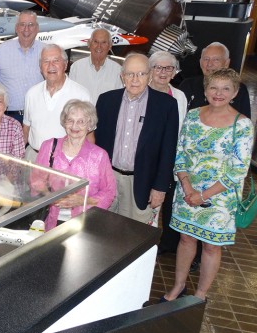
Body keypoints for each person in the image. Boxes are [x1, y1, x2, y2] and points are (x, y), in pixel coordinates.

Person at [162, 68, 253, 302]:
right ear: (205, 90)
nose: (218, 93)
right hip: (187, 190)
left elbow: (238, 170)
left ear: (234, 93)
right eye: (213, 87)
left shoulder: (242, 125)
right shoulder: (192, 116)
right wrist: (188, 187)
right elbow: (180, 153)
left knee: (211, 246)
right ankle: (178, 286)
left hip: (219, 197)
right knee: (185, 238)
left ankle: (200, 294)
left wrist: (203, 195)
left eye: (225, 89)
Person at [95, 53, 179, 225]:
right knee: (101, 230)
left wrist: (160, 188)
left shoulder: (166, 105)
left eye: (141, 74)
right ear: (122, 76)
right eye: (130, 74)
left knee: (133, 236)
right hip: (108, 178)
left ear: (149, 76)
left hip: (142, 183)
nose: (135, 79)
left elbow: (168, 150)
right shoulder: (106, 101)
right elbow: (96, 143)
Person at [31, 100, 116, 231]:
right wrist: (51, 196)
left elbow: (109, 192)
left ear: (90, 125)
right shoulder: (49, 147)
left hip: (84, 222)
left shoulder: (99, 155)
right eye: (70, 120)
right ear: (64, 122)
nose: (75, 126)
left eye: (81, 121)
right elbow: (36, 180)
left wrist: (83, 200)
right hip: (49, 220)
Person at [148, 51, 188, 254]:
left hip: (167, 163)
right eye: (158, 67)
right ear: (150, 70)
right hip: (144, 163)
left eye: (168, 68)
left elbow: (179, 132)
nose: (163, 72)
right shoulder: (141, 92)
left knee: (159, 206)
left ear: (174, 72)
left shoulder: (179, 96)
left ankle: (150, 249)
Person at [23, 43, 90, 162]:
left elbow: (89, 135)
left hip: (66, 161)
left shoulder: (82, 95)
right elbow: (26, 129)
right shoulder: (31, 94)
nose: (51, 66)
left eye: (56, 60)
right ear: (40, 67)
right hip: (33, 158)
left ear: (65, 64)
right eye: (46, 61)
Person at [0, 10, 44, 123]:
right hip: (9, 118)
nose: (26, 29)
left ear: (37, 28)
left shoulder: (46, 51)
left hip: (39, 117)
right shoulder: (2, 50)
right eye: (22, 24)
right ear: (16, 28)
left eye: (31, 25)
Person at [179, 42, 251, 118]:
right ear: (200, 62)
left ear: (226, 63)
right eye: (206, 59)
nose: (209, 64)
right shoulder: (187, 85)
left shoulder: (239, 89)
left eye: (216, 60)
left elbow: (244, 120)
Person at [69, 28, 123, 105]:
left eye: (104, 42)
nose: (99, 46)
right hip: (81, 115)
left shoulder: (118, 71)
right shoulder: (76, 67)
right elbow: (70, 97)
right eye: (95, 42)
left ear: (110, 46)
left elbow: (119, 100)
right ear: (89, 44)